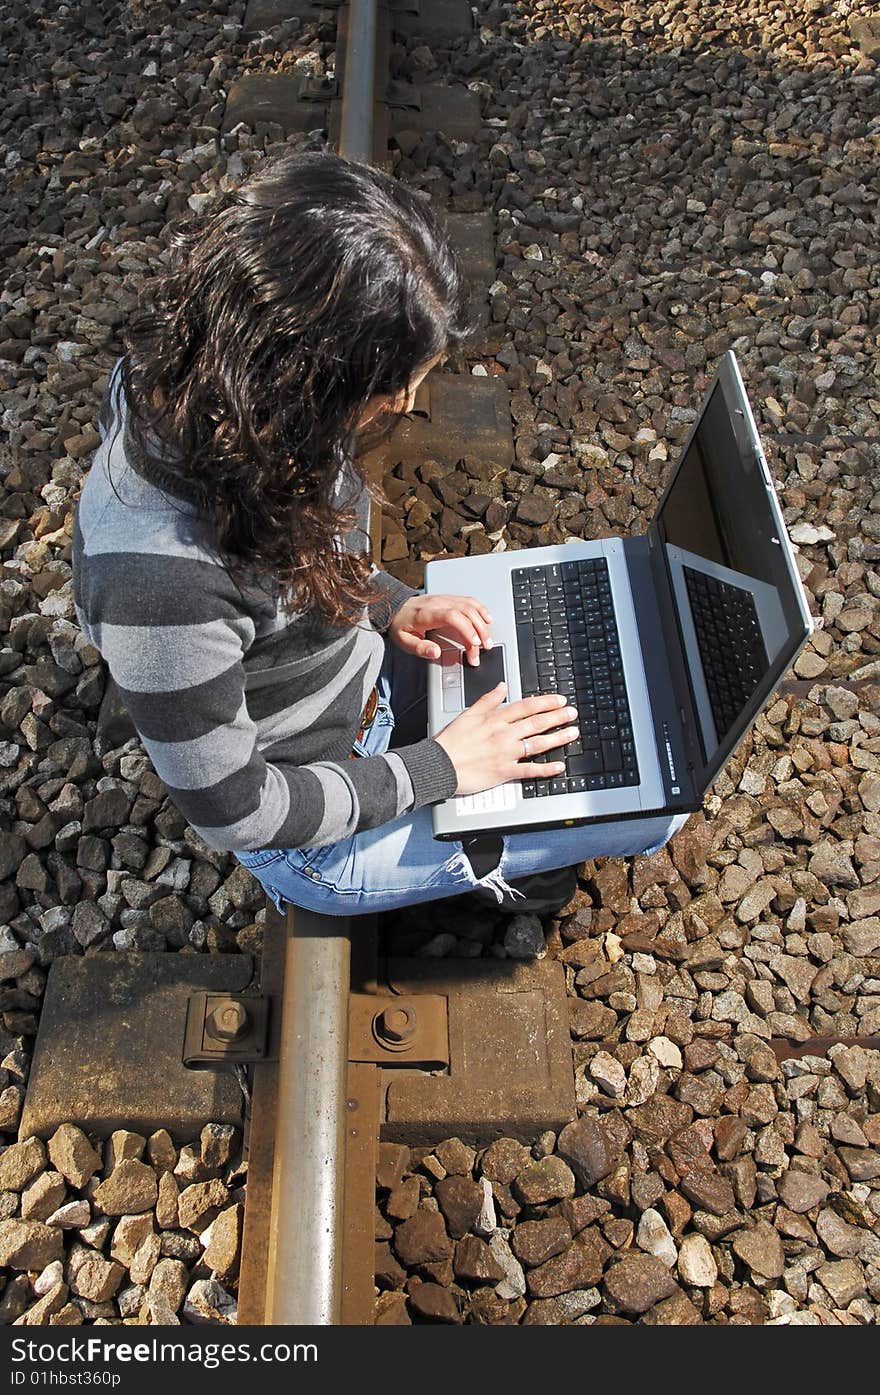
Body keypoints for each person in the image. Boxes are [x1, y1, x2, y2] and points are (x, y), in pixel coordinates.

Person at [73, 151, 685, 922]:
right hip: (315, 837)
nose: (408, 400)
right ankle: (488, 867)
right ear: (301, 381)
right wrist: (443, 768)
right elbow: (240, 811)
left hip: (357, 695)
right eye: (392, 388)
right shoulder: (159, 586)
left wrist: (387, 601)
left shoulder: (215, 388)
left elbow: (288, 546)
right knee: (659, 812)